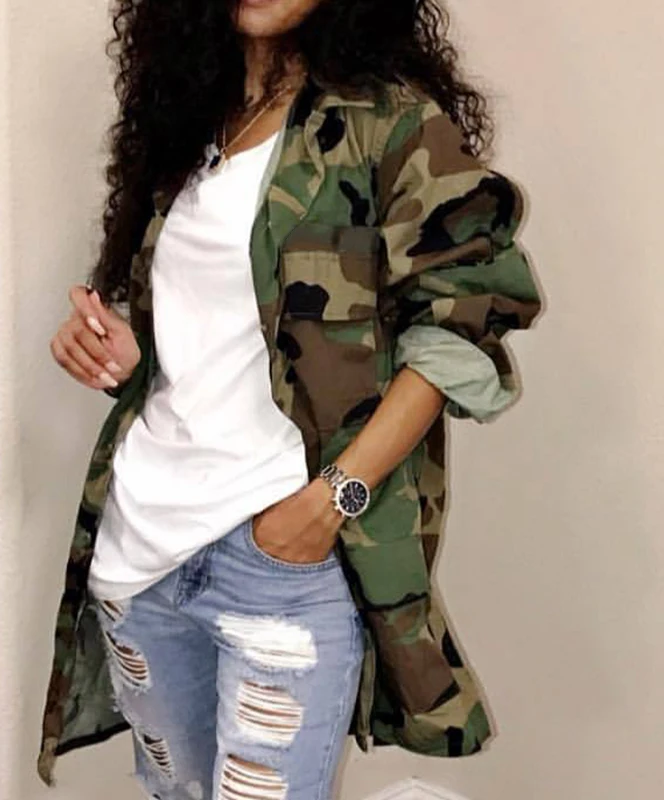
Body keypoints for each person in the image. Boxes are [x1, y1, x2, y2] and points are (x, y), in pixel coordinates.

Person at [40, 0, 543, 797]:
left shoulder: (389, 124)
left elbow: (460, 325)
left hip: (278, 564)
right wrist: (126, 356)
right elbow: (213, 341)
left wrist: (332, 501)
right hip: (141, 551)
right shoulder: (187, 119)